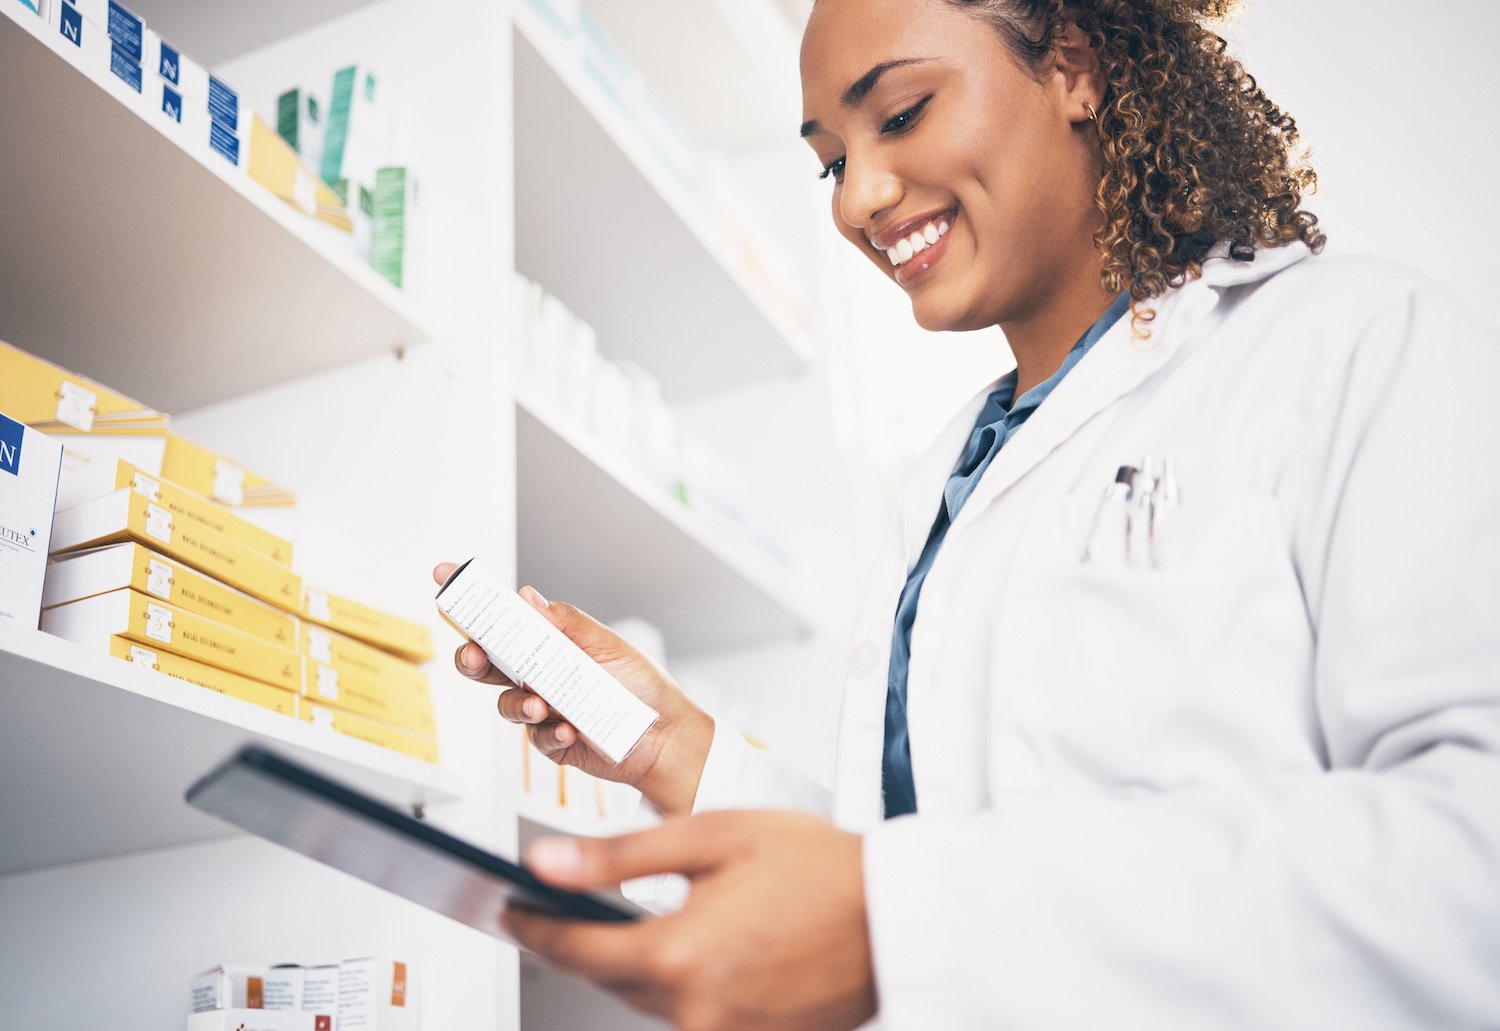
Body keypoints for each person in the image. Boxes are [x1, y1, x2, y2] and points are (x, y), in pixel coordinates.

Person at [438, 0, 1500, 1026]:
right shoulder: (949, 476)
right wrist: (671, 747)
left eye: (898, 115)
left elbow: (1471, 859)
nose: (859, 198)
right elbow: (919, 856)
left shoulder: (1356, 345)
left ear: (1075, 66)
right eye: (831, 160)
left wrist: (901, 922)